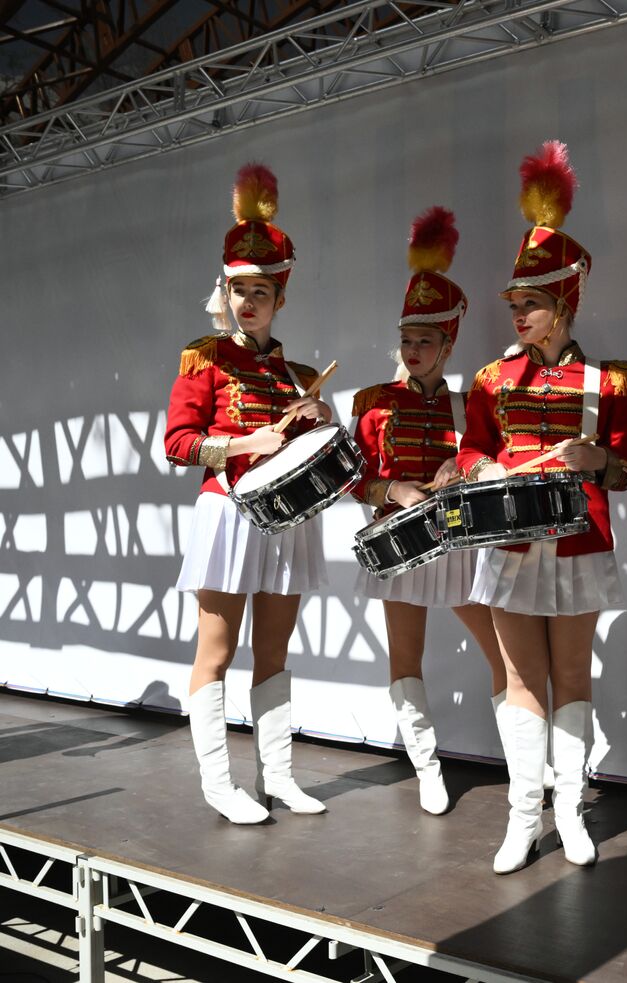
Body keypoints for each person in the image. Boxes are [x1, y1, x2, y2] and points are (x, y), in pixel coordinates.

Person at [456, 141, 627, 873]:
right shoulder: (489, 379)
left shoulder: (610, 381)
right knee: (522, 680)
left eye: (530, 303)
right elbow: (467, 451)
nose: (519, 314)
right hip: (507, 546)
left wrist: (597, 459)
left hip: (579, 544)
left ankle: (569, 808)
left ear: (564, 304)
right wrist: (490, 463)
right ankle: (522, 816)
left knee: (573, 676)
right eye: (515, 304)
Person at [164, 163, 333, 824]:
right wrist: (241, 445)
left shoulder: (302, 375)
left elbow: (317, 459)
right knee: (216, 650)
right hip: (227, 512)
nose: (248, 302)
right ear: (226, 290)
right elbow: (177, 444)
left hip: (286, 519)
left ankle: (279, 776)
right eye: (239, 290)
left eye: (260, 290)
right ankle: (216, 782)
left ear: (281, 296)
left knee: (275, 650)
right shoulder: (203, 359)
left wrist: (317, 426)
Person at [348, 206, 507, 814]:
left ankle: (527, 763)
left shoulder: (470, 406)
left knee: (500, 648)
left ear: (448, 343)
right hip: (397, 544)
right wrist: (393, 492)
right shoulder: (373, 402)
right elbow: (352, 483)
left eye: (425, 340)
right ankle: (427, 767)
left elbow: (485, 461)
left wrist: (457, 473)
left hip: (459, 542)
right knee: (405, 657)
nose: (413, 350)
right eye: (407, 339)